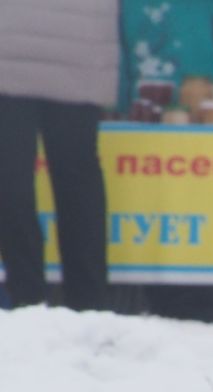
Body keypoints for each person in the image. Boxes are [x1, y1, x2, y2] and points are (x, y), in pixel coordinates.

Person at [0, 0, 116, 310]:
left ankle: (30, 297)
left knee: (14, 180)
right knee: (72, 178)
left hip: (20, 41)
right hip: (80, 44)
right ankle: (87, 302)